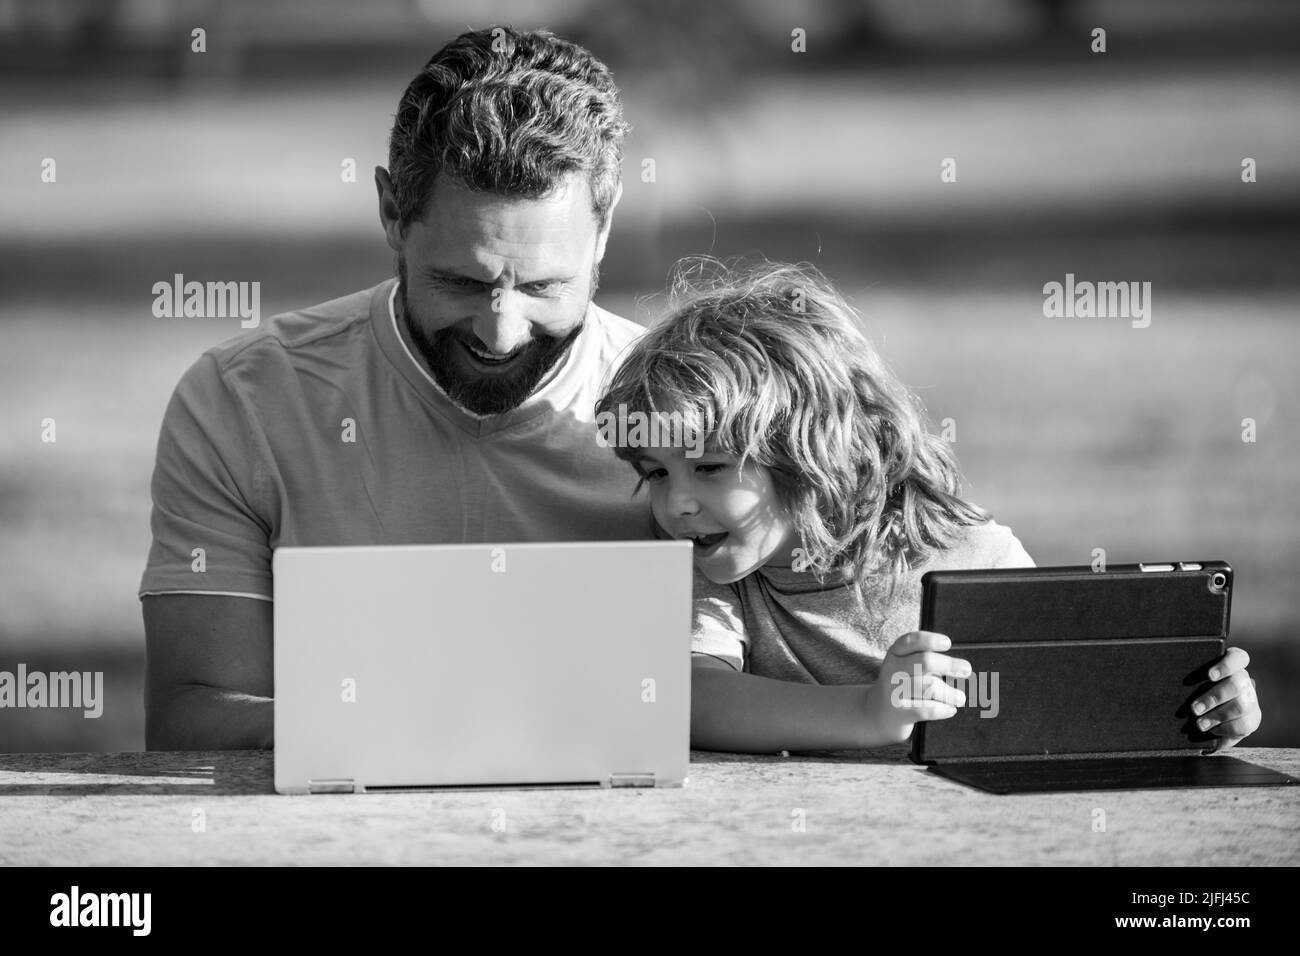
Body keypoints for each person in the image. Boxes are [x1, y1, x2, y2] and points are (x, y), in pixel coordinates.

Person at [141, 27, 644, 750]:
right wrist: (437, 729)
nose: (500, 333)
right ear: (389, 214)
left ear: (604, 228)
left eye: (542, 287)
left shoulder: (693, 420)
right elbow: (192, 721)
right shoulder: (243, 402)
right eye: (461, 282)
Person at [595, 260, 1262, 753]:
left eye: (710, 468)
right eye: (654, 473)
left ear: (812, 453)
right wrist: (867, 714)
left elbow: (1069, 707)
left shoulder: (972, 559)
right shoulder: (711, 563)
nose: (676, 503)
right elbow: (692, 696)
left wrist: (1201, 716)